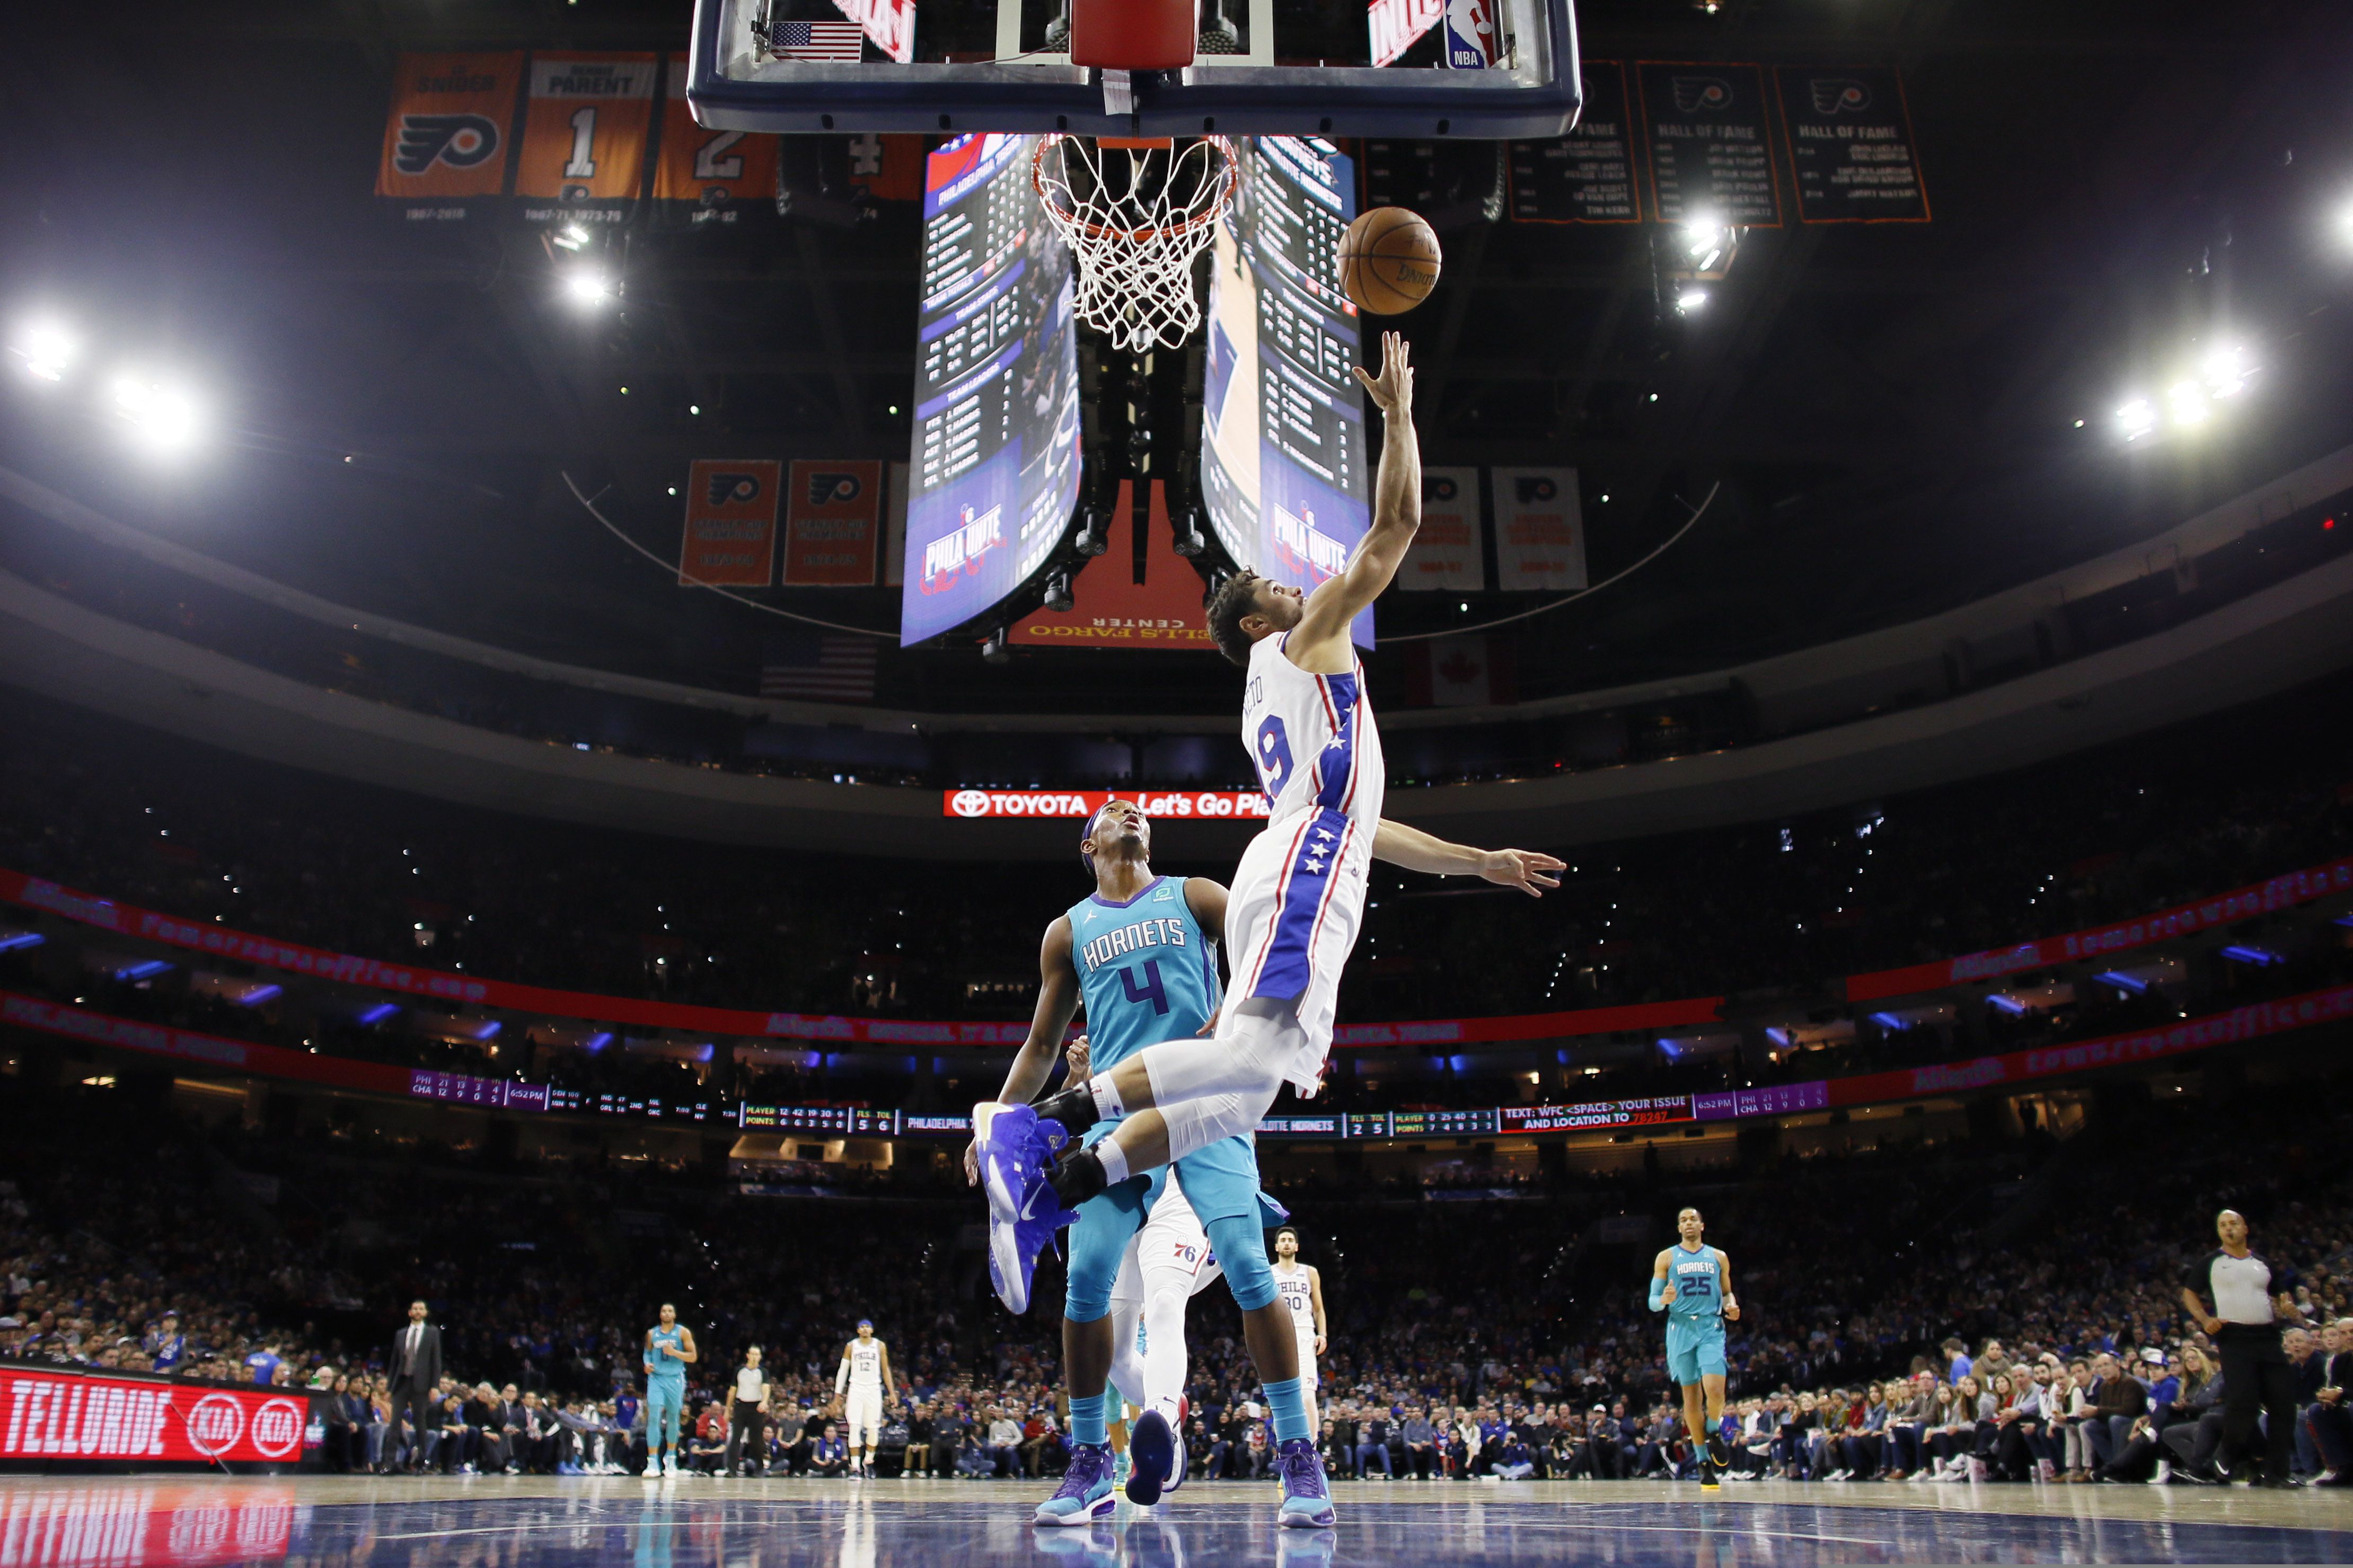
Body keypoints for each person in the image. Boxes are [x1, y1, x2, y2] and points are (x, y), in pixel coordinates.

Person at [974, 333, 1563, 1529]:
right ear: (1258, 619)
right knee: (1243, 1062)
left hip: (1303, 858)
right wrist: (1400, 414)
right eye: (1278, 586)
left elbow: (1366, 824)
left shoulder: (1282, 684)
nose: (1303, 585)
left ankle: (1071, 1163)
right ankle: (1045, 1131)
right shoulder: (1301, 642)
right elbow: (1394, 530)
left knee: (1241, 1090)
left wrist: (1476, 863)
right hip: (1298, 867)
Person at [960, 799, 1291, 1525]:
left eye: (1137, 809)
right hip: (1117, 1117)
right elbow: (1041, 1046)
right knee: (1084, 1278)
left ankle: (1294, 1457)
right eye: (1113, 810)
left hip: (1205, 1104)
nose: (1129, 812)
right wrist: (998, 1121)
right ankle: (1089, 1466)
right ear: (1089, 843)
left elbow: (1265, 938)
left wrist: (1240, 998)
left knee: (1243, 1265)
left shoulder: (1194, 894)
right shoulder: (1068, 930)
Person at [2180, 1208, 2301, 1486]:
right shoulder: (2211, 1262)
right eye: (2223, 1225)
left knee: (2283, 1405)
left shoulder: (2263, 1263)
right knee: (2245, 1404)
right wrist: (2205, 1319)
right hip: (2234, 1338)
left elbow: (2281, 1294)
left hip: (2268, 1337)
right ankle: (2226, 1455)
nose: (2228, 1228)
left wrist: (2286, 1305)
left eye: (2233, 1223)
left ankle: (2277, 1473)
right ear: (2219, 1231)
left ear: (2245, 1228)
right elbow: (2189, 1293)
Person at [1651, 1207, 1740, 1491]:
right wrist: (1663, 1300)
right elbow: (1653, 1301)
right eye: (1683, 1220)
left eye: (1693, 1219)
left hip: (1710, 1327)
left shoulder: (1718, 1256)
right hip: (1680, 1329)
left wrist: (1731, 1306)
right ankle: (1703, 1462)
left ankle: (1713, 1429)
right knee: (1691, 1397)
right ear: (1679, 1228)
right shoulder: (1666, 1257)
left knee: (1715, 1390)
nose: (1688, 1223)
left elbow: (1727, 1293)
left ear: (1702, 1225)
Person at [1271, 1226, 1328, 1441]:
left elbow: (1318, 1308)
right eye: (1283, 1240)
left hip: (1304, 1334)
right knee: (1282, 1399)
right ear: (1277, 1247)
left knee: (1307, 1396)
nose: (1286, 1243)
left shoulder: (1309, 1272)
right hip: (1279, 1336)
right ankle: (1285, 1449)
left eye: (1290, 1240)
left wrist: (1322, 1334)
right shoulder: (1269, 1273)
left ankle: (1311, 1448)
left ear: (1297, 1246)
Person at [641, 1303, 698, 1480]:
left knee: (673, 1417)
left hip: (675, 1378)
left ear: (674, 1314)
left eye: (670, 1311)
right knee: (654, 1417)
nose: (667, 1313)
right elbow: (647, 1353)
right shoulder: (652, 1334)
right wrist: (647, 1364)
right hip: (656, 1379)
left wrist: (675, 1353)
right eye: (664, 1311)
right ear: (660, 1315)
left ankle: (671, 1459)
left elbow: (693, 1356)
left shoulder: (683, 1332)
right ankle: (652, 1461)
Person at [834, 1319, 896, 1479]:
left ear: (872, 1330)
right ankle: (855, 1467)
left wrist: (892, 1392)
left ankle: (868, 1462)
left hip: (874, 1388)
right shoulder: (851, 1346)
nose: (865, 1329)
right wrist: (837, 1395)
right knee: (854, 1427)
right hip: (856, 1388)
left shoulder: (879, 1345)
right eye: (862, 1327)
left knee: (873, 1428)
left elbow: (885, 1369)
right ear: (858, 1330)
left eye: (868, 1327)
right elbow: (843, 1371)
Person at [389, 1299, 443, 1476]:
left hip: (422, 1383)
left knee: (420, 1423)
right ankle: (389, 1463)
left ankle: (421, 1462)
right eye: (415, 1309)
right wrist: (390, 1387)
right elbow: (394, 1361)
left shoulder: (432, 1333)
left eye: (421, 1309)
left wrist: (435, 1386)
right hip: (402, 1382)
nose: (418, 1311)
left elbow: (436, 1361)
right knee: (395, 1422)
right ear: (410, 1312)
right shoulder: (401, 1334)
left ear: (425, 1313)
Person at [727, 1345, 771, 1478]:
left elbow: (766, 1388)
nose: (754, 1357)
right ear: (748, 1356)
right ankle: (732, 1470)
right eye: (752, 1354)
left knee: (756, 1439)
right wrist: (728, 1409)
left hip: (756, 1408)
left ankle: (760, 1469)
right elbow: (732, 1390)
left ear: (760, 1357)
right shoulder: (739, 1370)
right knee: (735, 1438)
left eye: (757, 1355)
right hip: (741, 1406)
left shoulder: (763, 1372)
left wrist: (764, 1402)